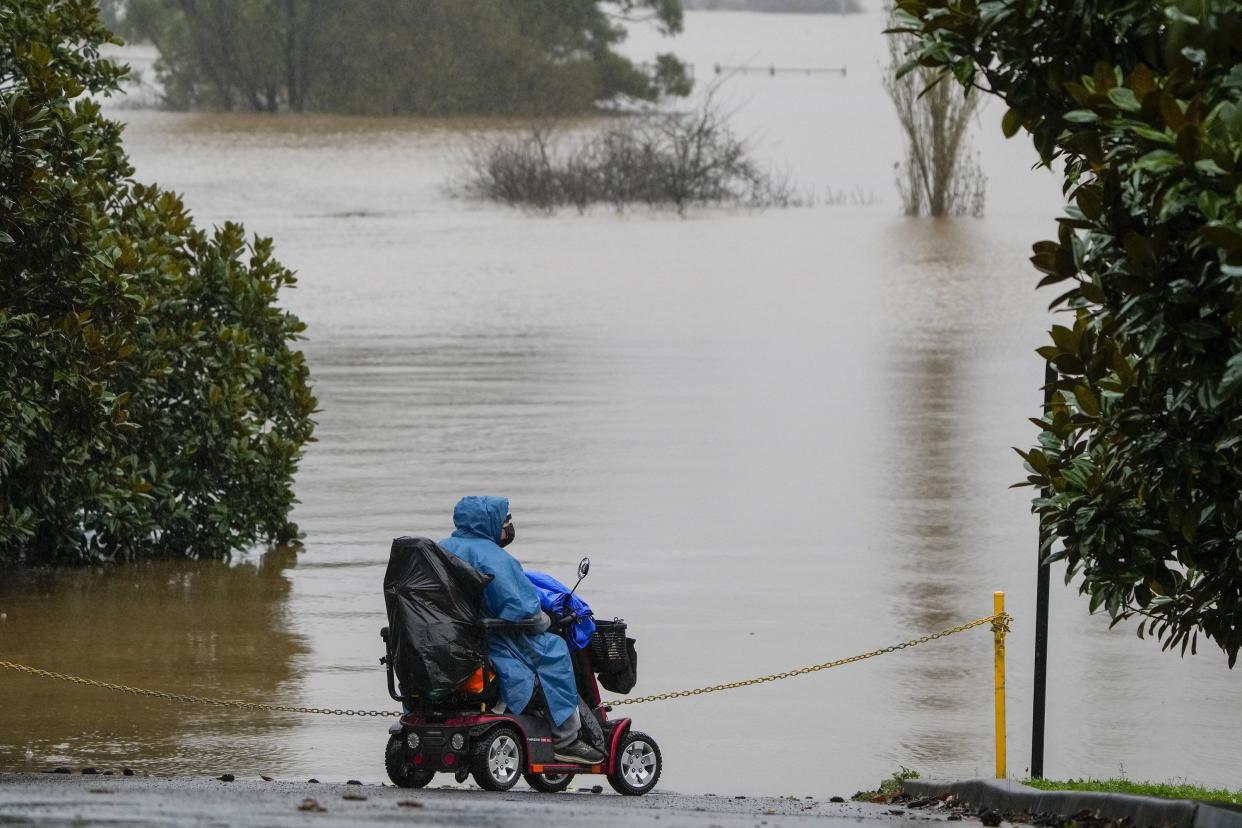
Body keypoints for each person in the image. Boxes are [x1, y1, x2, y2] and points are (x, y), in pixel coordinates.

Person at [438, 495, 604, 765]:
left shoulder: (439, 549)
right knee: (555, 649)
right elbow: (525, 611)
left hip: (450, 642)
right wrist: (548, 620)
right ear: (490, 523)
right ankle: (566, 739)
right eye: (506, 521)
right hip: (493, 640)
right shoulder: (494, 558)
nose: (508, 528)